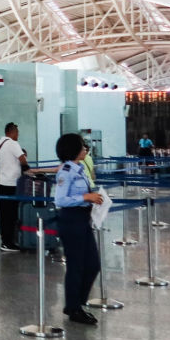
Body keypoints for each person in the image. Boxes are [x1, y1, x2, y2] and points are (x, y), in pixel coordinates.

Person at [52, 133, 104, 326]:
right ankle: (74, 308)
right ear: (73, 150)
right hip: (71, 220)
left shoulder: (79, 169)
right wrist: (85, 197)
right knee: (76, 265)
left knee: (92, 264)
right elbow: (60, 200)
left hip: (83, 219)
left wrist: (93, 198)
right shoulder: (66, 171)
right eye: (82, 146)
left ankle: (77, 303)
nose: (85, 149)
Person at [0, 122, 29, 252]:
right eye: (17, 133)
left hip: (1, 183)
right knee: (12, 215)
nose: (18, 135)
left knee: (4, 215)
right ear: (12, 132)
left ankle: (5, 240)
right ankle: (9, 242)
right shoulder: (13, 144)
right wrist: (26, 169)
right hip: (12, 184)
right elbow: (22, 158)